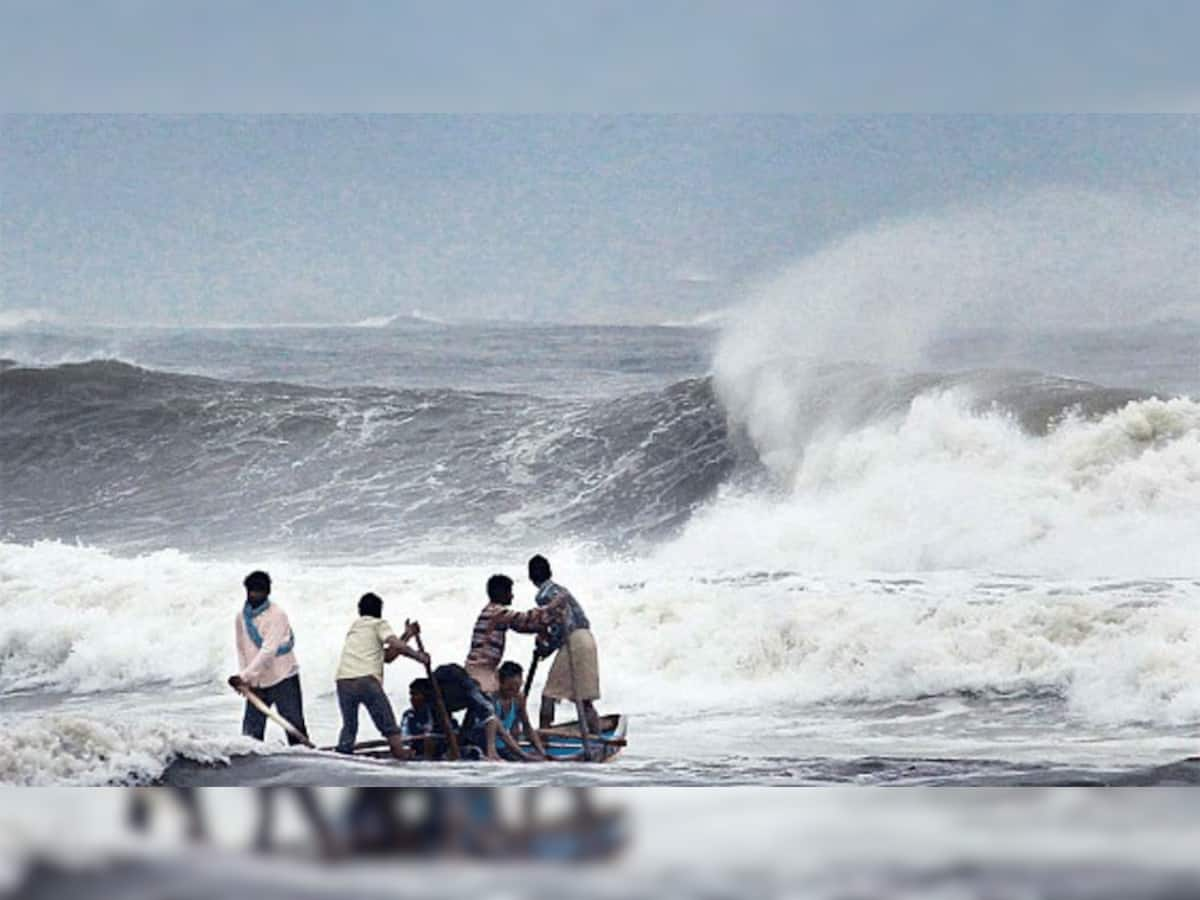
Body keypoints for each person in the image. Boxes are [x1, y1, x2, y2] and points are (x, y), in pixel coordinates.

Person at [334, 592, 428, 759]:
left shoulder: (355, 627)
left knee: (349, 726)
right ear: (379, 610)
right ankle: (400, 752)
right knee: (388, 723)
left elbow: (388, 656)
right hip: (366, 680)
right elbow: (394, 643)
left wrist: (407, 635)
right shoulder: (378, 624)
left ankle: (343, 753)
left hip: (343, 680)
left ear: (360, 611)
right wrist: (419, 656)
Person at [228, 570, 309, 745]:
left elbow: (268, 650)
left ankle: (305, 760)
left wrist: (244, 676)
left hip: (283, 677)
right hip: (256, 681)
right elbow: (241, 648)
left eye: (259, 592)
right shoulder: (241, 617)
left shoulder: (277, 615)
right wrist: (245, 679)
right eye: (251, 591)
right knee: (250, 734)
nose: (254, 595)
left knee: (294, 727)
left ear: (267, 593)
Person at [528, 555, 601, 734]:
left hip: (574, 641)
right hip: (586, 639)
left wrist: (546, 647)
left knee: (549, 694)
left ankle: (544, 736)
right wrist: (547, 648)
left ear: (531, 577)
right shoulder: (560, 589)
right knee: (583, 699)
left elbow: (562, 625)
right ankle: (597, 735)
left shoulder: (545, 595)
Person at [465, 574, 557, 696]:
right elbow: (526, 619)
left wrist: (541, 628)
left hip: (483, 668)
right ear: (501, 593)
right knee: (496, 702)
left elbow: (523, 626)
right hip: (481, 671)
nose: (512, 596)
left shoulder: (492, 611)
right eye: (509, 591)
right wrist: (553, 606)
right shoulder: (497, 612)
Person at [492, 661, 548, 761]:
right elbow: (503, 734)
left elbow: (527, 726)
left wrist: (541, 751)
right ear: (500, 683)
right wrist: (523, 755)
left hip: (505, 747)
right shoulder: (492, 699)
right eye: (509, 688)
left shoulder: (518, 698)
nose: (513, 691)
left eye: (517, 687)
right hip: (490, 748)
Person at [400, 677, 457, 759]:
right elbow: (404, 736)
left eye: (415, 694)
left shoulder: (441, 714)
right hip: (416, 752)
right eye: (411, 694)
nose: (412, 698)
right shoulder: (409, 714)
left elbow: (454, 732)